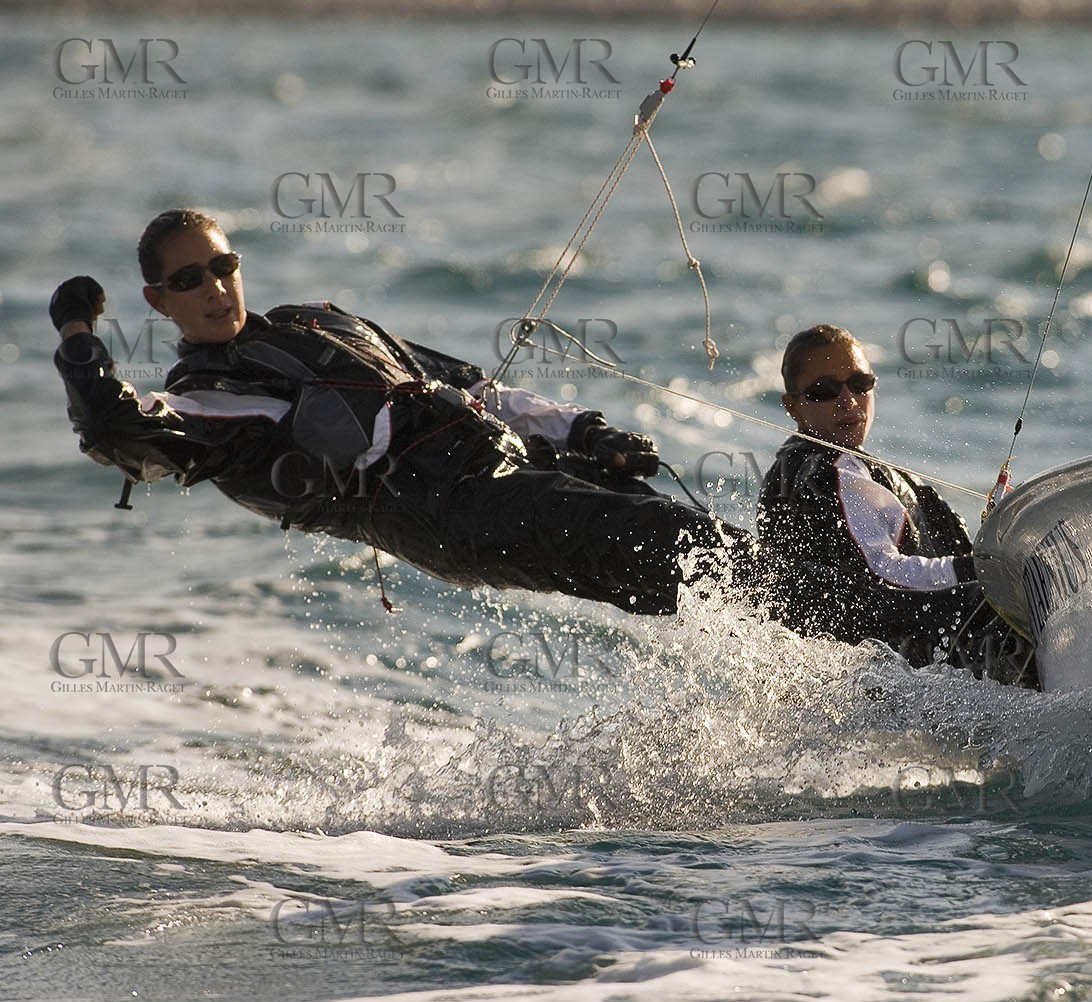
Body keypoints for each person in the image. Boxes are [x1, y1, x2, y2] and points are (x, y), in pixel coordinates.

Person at [50, 207, 747, 615]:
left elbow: (469, 383)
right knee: (669, 541)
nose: (214, 286)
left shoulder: (315, 322)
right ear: (158, 300)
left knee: (684, 540)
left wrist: (582, 431)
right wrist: (77, 332)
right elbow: (115, 427)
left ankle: (828, 652)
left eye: (223, 266)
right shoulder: (206, 404)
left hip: (504, 462)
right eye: (188, 279)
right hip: (452, 514)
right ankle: (839, 613)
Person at [756, 324, 1036, 686]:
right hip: (896, 664)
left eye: (860, 384)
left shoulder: (804, 467)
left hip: (878, 664)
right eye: (824, 390)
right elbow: (882, 574)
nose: (848, 401)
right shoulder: (829, 472)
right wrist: (983, 570)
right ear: (792, 405)